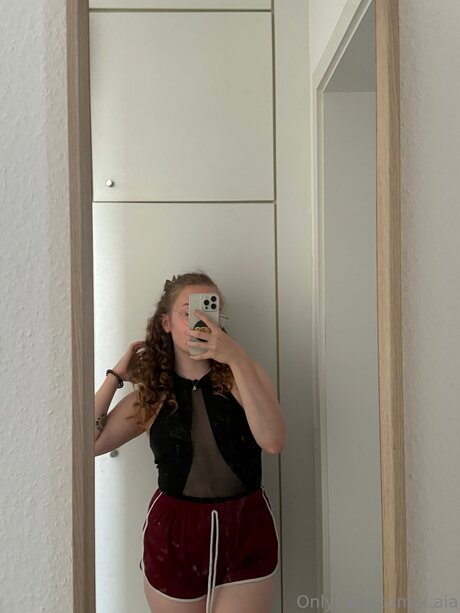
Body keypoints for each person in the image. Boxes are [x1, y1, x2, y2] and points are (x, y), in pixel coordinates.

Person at [94, 271, 287, 613]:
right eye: (189, 312)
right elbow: (86, 445)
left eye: (209, 310)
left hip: (247, 529)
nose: (201, 321)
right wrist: (115, 377)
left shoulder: (245, 375)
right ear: (166, 323)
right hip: (174, 535)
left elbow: (273, 441)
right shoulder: (153, 395)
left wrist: (236, 357)